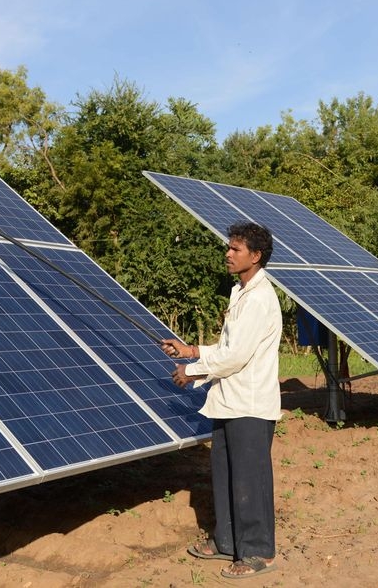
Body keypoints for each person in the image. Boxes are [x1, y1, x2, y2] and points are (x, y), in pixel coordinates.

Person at [160, 221, 283, 580]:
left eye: (235, 249)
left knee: (250, 480)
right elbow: (228, 347)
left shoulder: (258, 299)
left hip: (250, 404)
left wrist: (192, 371)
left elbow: (235, 357)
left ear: (255, 256)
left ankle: (259, 551)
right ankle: (227, 541)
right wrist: (191, 350)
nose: (228, 254)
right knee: (227, 474)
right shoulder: (241, 292)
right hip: (229, 401)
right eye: (228, 247)